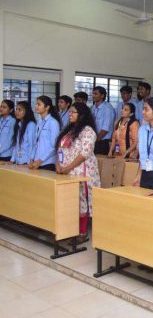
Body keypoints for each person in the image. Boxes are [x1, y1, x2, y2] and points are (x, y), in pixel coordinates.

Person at [55, 102, 101, 242]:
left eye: (73, 112)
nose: (70, 114)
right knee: (70, 200)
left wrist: (67, 168)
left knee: (82, 200)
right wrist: (58, 164)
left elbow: (84, 154)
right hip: (66, 171)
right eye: (70, 112)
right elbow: (60, 148)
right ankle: (68, 229)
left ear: (82, 115)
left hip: (82, 171)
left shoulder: (88, 131)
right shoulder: (69, 129)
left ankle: (82, 233)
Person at [29, 96, 62, 171]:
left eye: (39, 104)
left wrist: (40, 160)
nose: (36, 106)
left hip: (48, 163)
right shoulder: (39, 121)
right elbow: (36, 142)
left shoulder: (53, 123)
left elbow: (54, 146)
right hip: (36, 161)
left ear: (47, 107)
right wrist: (31, 158)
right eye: (36, 104)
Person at [91, 86, 115, 155]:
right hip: (95, 140)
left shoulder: (107, 109)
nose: (93, 96)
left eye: (96, 94)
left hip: (103, 142)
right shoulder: (93, 108)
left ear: (102, 95)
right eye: (93, 94)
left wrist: (95, 141)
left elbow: (105, 129)